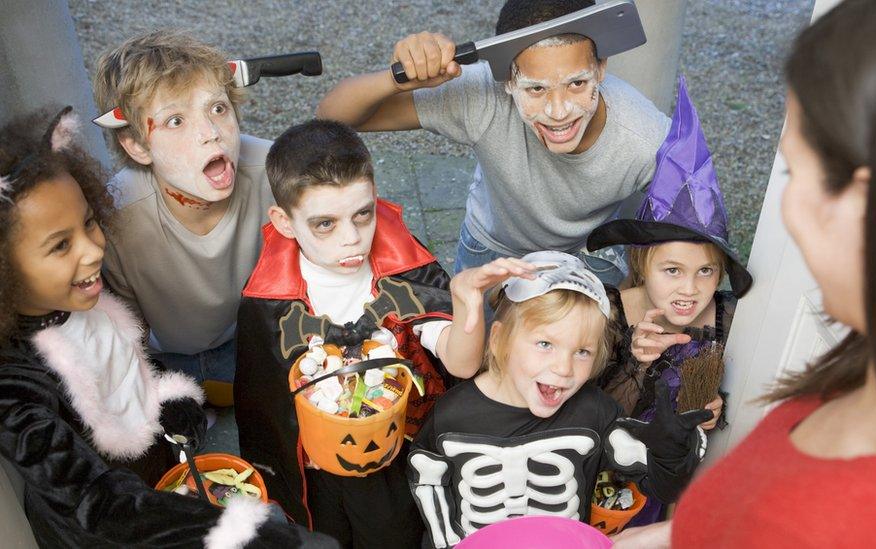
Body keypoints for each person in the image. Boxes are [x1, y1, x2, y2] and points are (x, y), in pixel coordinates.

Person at [614, 0, 876, 546]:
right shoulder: (873, 369)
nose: (787, 208)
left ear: (862, 200)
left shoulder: (861, 515)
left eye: (793, 169)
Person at [0, 106, 333, 548]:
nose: (93, 249)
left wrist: (175, 407)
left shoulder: (76, 302)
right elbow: (96, 506)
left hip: (166, 484)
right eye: (60, 245)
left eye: (88, 223)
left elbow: (126, 364)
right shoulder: (18, 384)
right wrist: (243, 533)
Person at [235, 119, 486, 547]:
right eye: (325, 224)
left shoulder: (408, 277)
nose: (352, 239)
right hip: (314, 474)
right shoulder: (269, 304)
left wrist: (468, 305)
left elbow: (461, 362)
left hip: (392, 460)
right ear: (284, 222)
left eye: (363, 215)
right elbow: (263, 406)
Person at [316, 0, 670, 286]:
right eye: (536, 89)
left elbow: (690, 232)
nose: (558, 110)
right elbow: (333, 116)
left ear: (601, 68)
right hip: (494, 245)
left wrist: (637, 289)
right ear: (506, 82)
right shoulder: (481, 97)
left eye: (576, 84)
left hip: (587, 251)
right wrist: (397, 81)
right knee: (476, 353)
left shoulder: (646, 138)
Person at [406, 251, 713, 548]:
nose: (564, 368)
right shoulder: (452, 414)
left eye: (582, 352)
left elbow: (663, 485)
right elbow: (428, 480)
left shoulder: (595, 412)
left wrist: (670, 453)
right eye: (545, 344)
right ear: (499, 339)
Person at [586, 77, 753, 524]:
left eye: (706, 272)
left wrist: (715, 411)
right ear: (643, 266)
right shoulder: (615, 310)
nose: (690, 289)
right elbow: (597, 412)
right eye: (672, 270)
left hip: (681, 481)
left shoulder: (729, 318)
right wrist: (637, 362)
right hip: (613, 468)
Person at [92, 30, 275, 406]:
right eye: (176, 121)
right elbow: (126, 327)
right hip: (166, 358)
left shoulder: (274, 173)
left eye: (218, 108)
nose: (211, 134)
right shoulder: (116, 217)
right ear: (138, 145)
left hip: (253, 338)